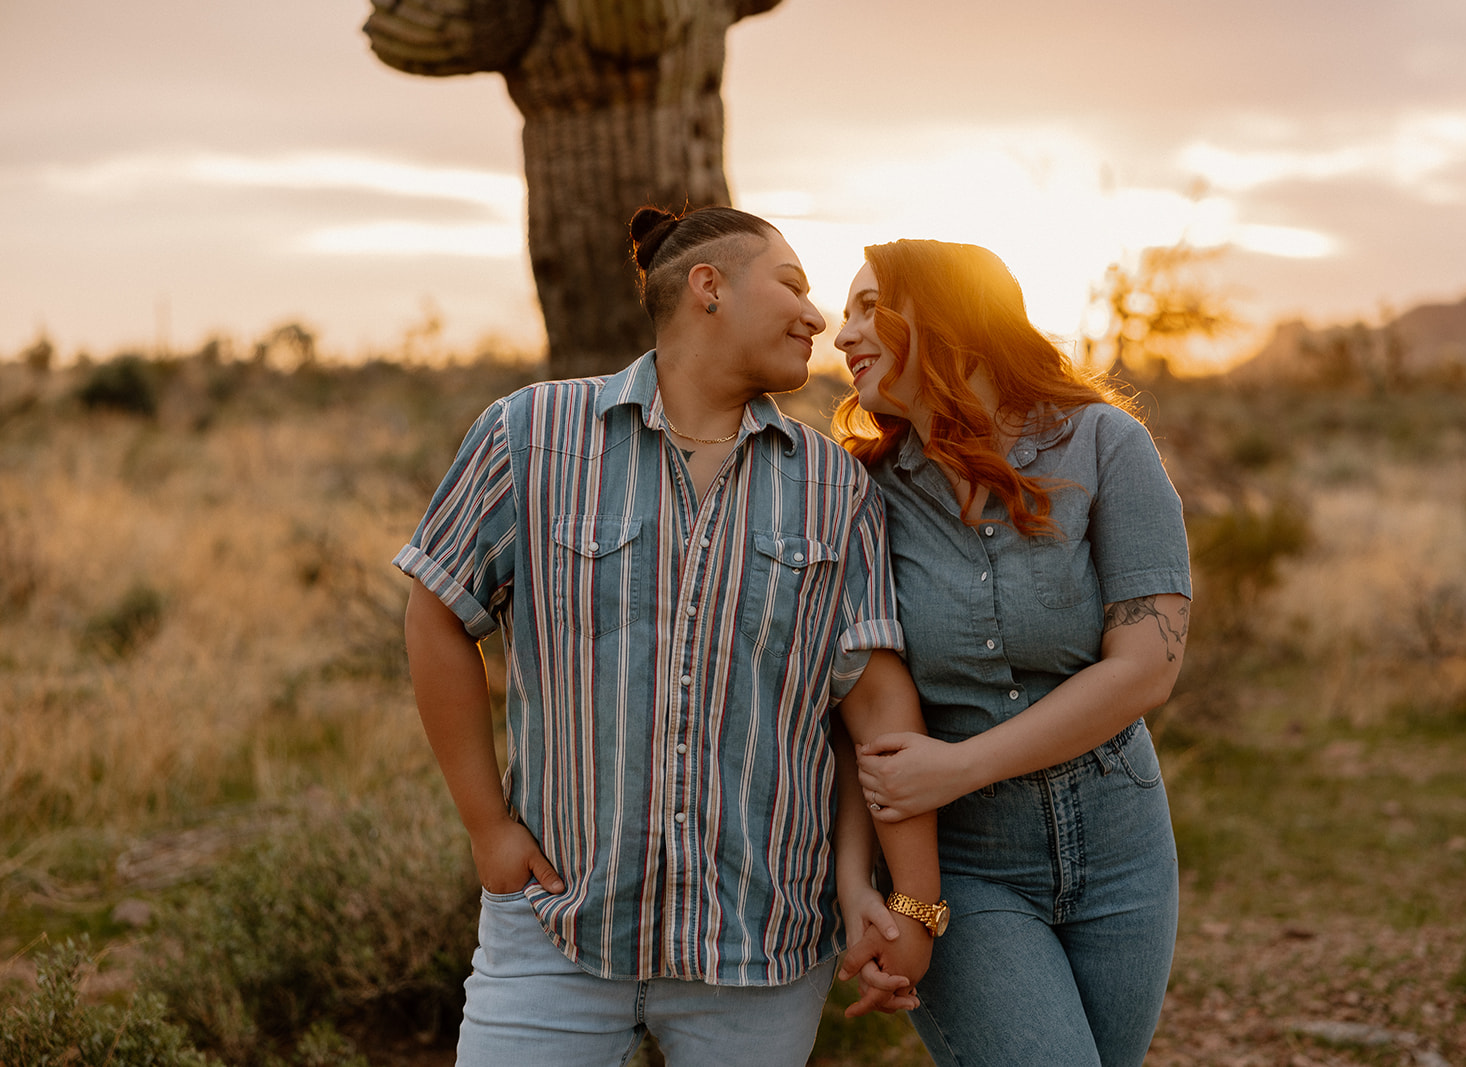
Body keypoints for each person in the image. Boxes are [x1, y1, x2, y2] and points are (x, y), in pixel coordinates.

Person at [395, 204, 942, 1066]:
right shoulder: (531, 434)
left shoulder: (834, 486)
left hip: (759, 949)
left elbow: (875, 705)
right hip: (558, 928)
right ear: (708, 287)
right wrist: (486, 826)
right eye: (794, 286)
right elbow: (436, 611)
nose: (818, 316)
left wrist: (914, 904)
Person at [832, 239, 1191, 1067]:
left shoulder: (1107, 446)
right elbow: (857, 709)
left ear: (948, 316)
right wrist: (862, 883)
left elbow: (1147, 666)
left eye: (866, 307)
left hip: (1122, 838)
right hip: (963, 862)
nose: (841, 335)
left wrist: (960, 765)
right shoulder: (861, 494)